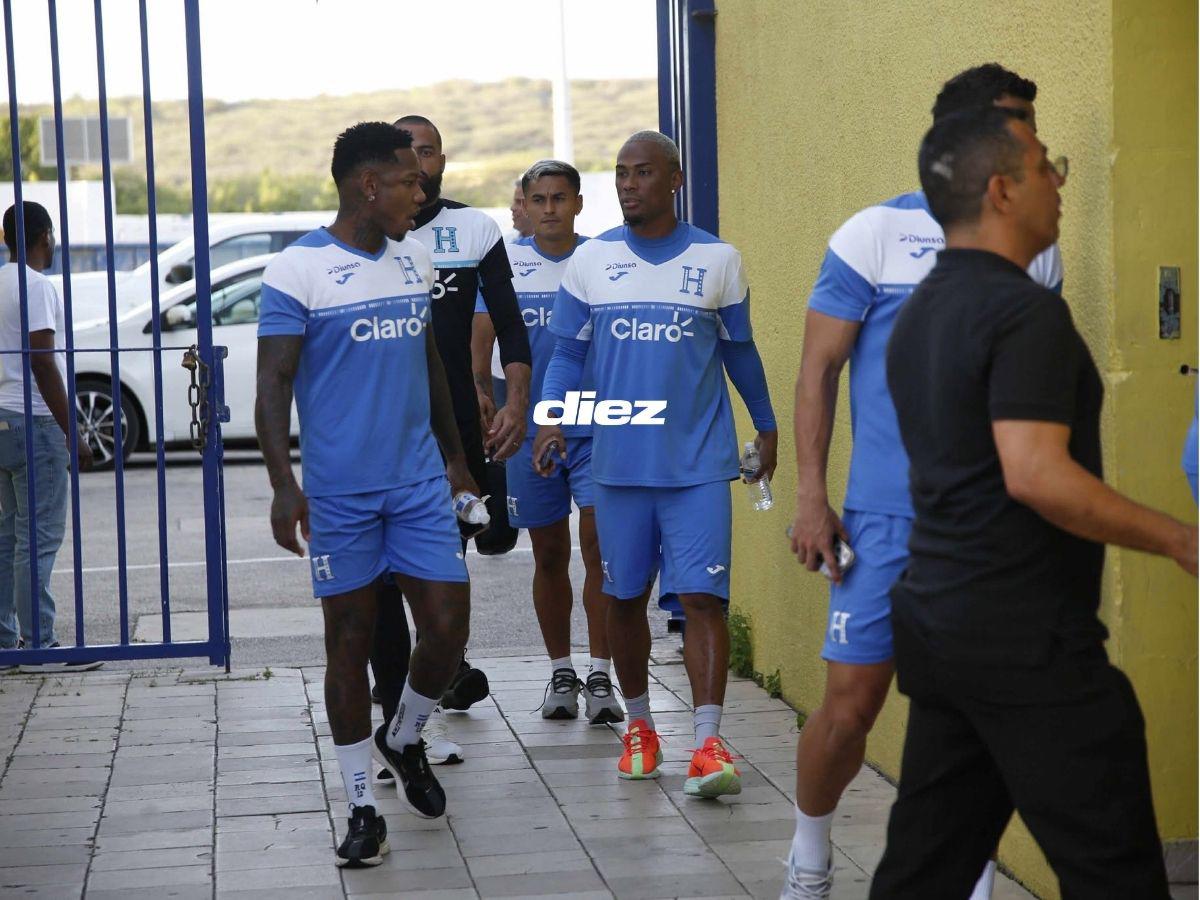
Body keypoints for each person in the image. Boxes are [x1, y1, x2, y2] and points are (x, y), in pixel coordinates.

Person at [871, 104, 1197, 898]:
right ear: (1001, 191)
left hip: (941, 628)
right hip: (1025, 643)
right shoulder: (1023, 313)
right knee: (1115, 873)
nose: (1059, 181)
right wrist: (1184, 540)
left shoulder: (919, 315)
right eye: (1046, 165)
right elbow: (1035, 472)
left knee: (924, 870)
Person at [782, 65, 1061, 899]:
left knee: (978, 713)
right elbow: (818, 370)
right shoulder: (874, 233)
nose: (1031, 147)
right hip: (883, 520)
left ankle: (970, 874)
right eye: (1014, 126)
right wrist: (810, 495)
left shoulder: (1032, 249)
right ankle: (809, 855)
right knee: (850, 708)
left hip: (990, 525)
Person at [255, 122, 475, 867]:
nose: (424, 192)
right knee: (347, 642)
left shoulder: (413, 259)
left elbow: (434, 367)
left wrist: (457, 460)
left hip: (417, 484)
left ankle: (404, 733)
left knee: (447, 627)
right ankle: (359, 807)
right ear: (369, 186)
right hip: (341, 495)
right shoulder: (298, 271)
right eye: (412, 182)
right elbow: (272, 386)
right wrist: (286, 486)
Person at [535, 131, 777, 795]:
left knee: (703, 598)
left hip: (698, 464)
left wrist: (768, 426)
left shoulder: (717, 259)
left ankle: (706, 742)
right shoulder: (592, 263)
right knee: (622, 595)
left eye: (642, 173)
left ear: (674, 178)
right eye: (620, 173)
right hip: (616, 464)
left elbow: (740, 353)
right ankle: (640, 728)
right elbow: (565, 354)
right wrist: (549, 418)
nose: (628, 184)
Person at [366, 115, 533, 775]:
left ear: (441, 160)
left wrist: (515, 400)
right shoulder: (361, 235)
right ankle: (396, 730)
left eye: (426, 151)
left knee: (441, 586)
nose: (417, 164)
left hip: (458, 436)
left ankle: (431, 690)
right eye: (404, 153)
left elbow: (513, 330)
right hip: (382, 439)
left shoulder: (474, 230)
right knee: (381, 590)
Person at [498, 158, 622, 724]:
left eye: (560, 198)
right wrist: (489, 403)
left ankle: (601, 675)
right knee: (549, 554)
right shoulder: (506, 264)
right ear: (525, 204)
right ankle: (561, 673)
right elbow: (484, 344)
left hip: (597, 426)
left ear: (577, 203)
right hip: (529, 432)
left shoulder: (603, 258)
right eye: (539, 199)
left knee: (599, 550)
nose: (550, 209)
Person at [0, 201, 95, 672]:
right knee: (38, 537)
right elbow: (42, 360)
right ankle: (39, 643)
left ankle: (6, 640)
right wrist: (71, 430)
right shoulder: (35, 286)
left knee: (9, 536)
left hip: (1, 419)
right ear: (46, 236)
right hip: (33, 420)